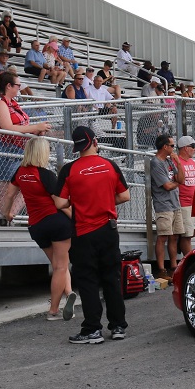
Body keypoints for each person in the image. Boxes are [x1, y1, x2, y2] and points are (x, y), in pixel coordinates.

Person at [53, 126, 131, 344]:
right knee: (111, 279)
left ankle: (92, 330)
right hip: (108, 229)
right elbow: (125, 195)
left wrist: (79, 202)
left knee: (88, 281)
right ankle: (117, 326)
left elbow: (59, 202)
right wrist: (105, 200)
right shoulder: (110, 165)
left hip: (83, 231)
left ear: (77, 147)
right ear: (95, 142)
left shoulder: (69, 170)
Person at [0, 136, 79, 321]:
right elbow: (61, 204)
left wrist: (7, 213)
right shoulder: (46, 174)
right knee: (61, 266)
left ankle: (68, 293)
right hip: (56, 223)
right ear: (43, 153)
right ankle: (53, 311)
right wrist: (77, 219)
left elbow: (9, 195)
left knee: (58, 264)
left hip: (36, 226)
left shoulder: (19, 172)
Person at [0, 72, 53, 215]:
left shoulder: (11, 102)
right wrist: (35, 128)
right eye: (17, 85)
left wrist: (35, 131)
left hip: (15, 149)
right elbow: (8, 128)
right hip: (3, 148)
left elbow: (20, 125)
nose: (19, 88)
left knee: (24, 185)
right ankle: (6, 217)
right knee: (6, 189)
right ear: (8, 86)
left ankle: (9, 215)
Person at [150, 133, 185, 279]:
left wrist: (178, 162)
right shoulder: (156, 162)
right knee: (163, 236)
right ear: (165, 147)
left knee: (174, 237)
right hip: (163, 204)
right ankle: (161, 269)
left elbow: (181, 179)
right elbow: (168, 186)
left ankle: (173, 267)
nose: (174, 148)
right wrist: (177, 183)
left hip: (175, 203)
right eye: (172, 145)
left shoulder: (170, 161)